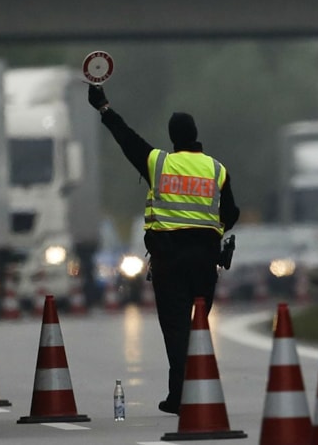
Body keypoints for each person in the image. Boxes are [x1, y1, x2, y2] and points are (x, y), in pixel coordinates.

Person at [87, 84, 240, 415]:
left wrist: (103, 108)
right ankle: (194, 393)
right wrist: (212, 230)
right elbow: (231, 214)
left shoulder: (158, 163)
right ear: (196, 135)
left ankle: (180, 396)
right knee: (198, 326)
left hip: (169, 259)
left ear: (173, 138)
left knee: (176, 329)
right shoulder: (216, 169)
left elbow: (126, 138)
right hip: (204, 260)